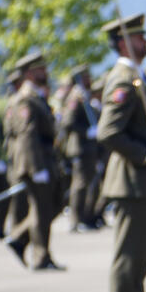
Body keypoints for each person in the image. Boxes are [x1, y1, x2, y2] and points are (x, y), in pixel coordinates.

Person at [98, 14, 146, 292]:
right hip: (131, 183)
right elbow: (109, 131)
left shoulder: (134, 75)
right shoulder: (123, 79)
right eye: (139, 38)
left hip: (139, 184)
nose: (145, 42)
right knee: (130, 259)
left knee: (138, 258)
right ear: (124, 43)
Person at [4, 52, 64, 271]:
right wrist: (36, 168)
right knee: (41, 209)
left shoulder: (35, 96)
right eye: (40, 69)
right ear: (29, 73)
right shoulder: (25, 98)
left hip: (45, 159)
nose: (45, 72)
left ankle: (19, 237)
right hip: (35, 161)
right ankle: (41, 256)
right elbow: (27, 135)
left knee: (55, 204)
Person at [58, 66, 102, 233]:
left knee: (88, 183)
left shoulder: (84, 95)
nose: (90, 79)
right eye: (86, 77)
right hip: (80, 147)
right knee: (80, 185)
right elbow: (68, 122)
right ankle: (76, 220)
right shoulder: (75, 97)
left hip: (88, 148)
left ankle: (85, 217)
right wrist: (86, 132)